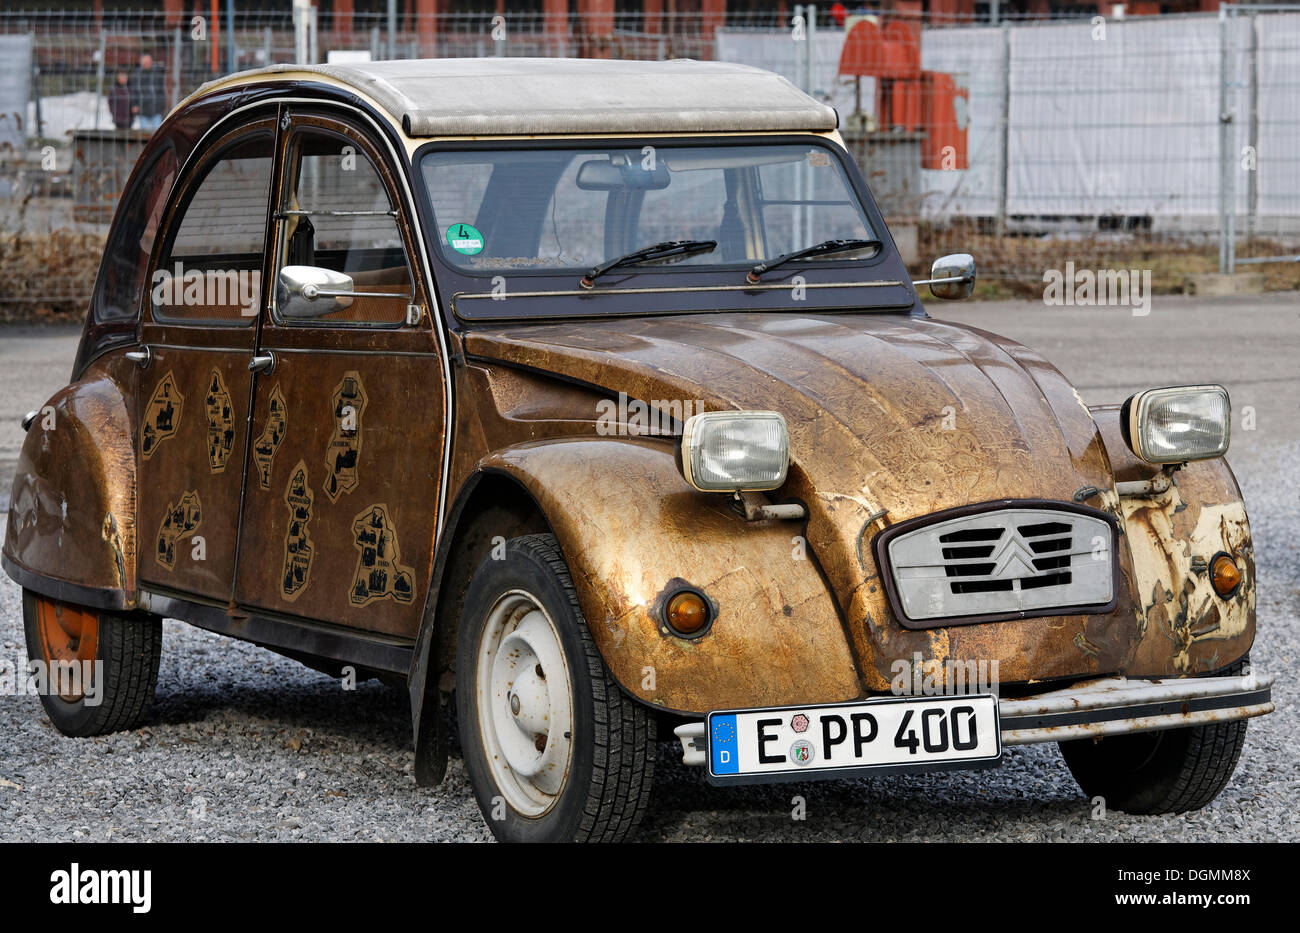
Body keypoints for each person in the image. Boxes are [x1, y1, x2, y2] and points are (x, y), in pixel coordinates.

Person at [131, 53, 167, 131]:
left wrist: (161, 106)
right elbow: (134, 92)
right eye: (145, 62)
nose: (147, 64)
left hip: (156, 111)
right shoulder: (137, 76)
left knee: (157, 135)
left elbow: (162, 92)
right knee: (145, 135)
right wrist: (134, 105)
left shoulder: (158, 75)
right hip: (142, 111)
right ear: (141, 62)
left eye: (148, 61)